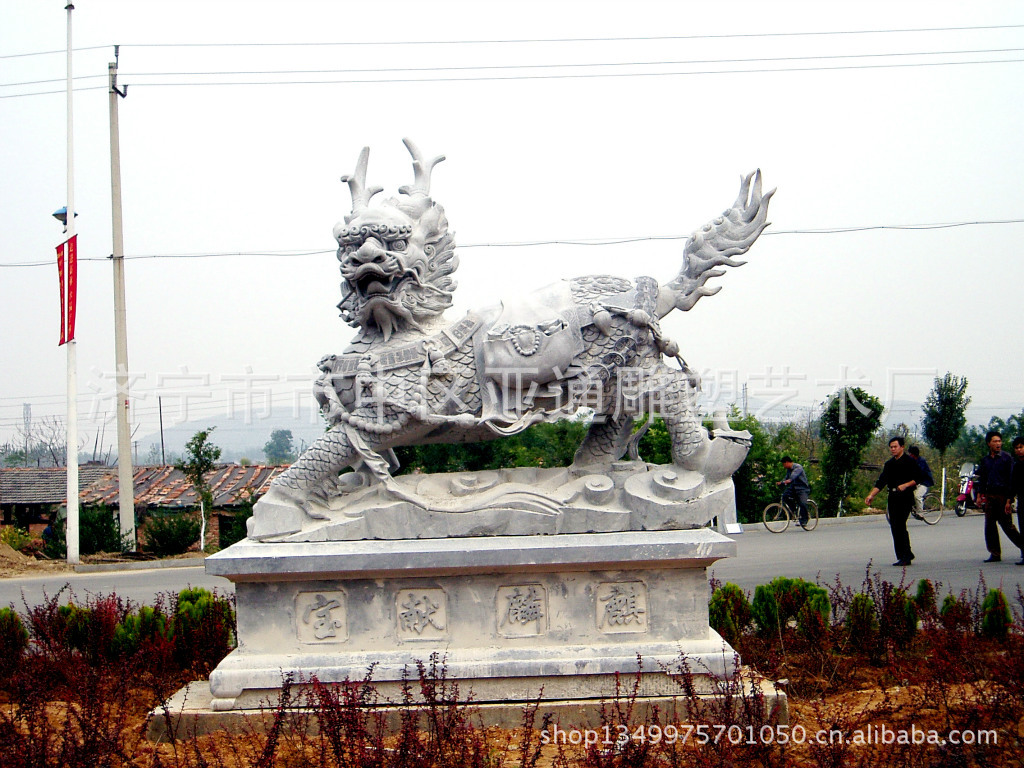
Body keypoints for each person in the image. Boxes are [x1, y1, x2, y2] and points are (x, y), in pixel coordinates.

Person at [865, 436, 919, 567]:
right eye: (891, 447)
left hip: (905, 496)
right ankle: (903, 555)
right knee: (894, 526)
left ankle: (906, 556)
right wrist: (871, 495)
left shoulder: (910, 461)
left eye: (895, 447)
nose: (893, 449)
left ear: (902, 447)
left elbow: (918, 478)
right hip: (893, 497)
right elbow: (882, 481)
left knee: (900, 524)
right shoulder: (889, 464)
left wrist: (906, 485)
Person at [975, 430, 1024, 564]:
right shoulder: (985, 460)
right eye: (995, 441)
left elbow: (1011, 480)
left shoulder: (1007, 458)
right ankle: (995, 553)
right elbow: (983, 478)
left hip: (1003, 495)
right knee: (989, 525)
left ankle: (1023, 547)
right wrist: (979, 495)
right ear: (989, 443)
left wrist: (1009, 498)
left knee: (1007, 525)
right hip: (990, 496)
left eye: (999, 441)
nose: (998, 444)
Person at [777, 456, 811, 528]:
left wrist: (790, 480)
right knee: (785, 496)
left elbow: (794, 475)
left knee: (802, 503)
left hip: (802, 488)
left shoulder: (798, 467)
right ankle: (794, 511)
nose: (784, 466)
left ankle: (805, 519)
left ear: (787, 462)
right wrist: (781, 482)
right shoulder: (788, 470)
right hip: (794, 488)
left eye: (784, 464)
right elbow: (786, 478)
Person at [907, 445, 934, 517]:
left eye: (910, 454)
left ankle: (920, 513)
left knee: (917, 496)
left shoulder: (921, 461)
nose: (909, 455)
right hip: (915, 482)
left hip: (924, 482)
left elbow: (919, 474)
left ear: (913, 454)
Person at [1012, 436, 1024, 563]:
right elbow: (1013, 485)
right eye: (1017, 448)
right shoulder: (1016, 466)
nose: (1019, 450)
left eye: (1021, 447)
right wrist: (1009, 500)